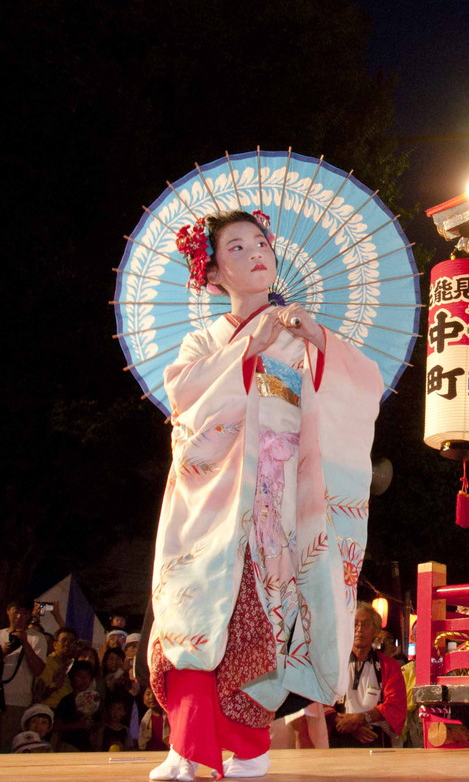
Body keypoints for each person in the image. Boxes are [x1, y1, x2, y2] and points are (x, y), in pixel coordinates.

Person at [147, 209, 383, 781]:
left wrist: (318, 339)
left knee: (260, 620)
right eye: (235, 248)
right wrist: (247, 349)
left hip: (275, 507)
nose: (255, 253)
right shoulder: (203, 339)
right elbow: (187, 403)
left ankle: (250, 747)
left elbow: (363, 390)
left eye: (260, 242)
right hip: (210, 504)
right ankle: (185, 747)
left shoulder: (302, 335)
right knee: (194, 610)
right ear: (212, 274)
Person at [327, 605, 406, 748]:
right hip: (339, 731)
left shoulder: (389, 666)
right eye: (354, 624)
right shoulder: (332, 664)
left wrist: (362, 718)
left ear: (376, 631)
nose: (359, 629)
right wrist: (347, 725)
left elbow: (395, 704)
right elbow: (319, 702)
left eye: (365, 624)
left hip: (373, 735)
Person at [2, 600, 47, 751]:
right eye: (16, 611)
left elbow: (38, 670)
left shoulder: (37, 638)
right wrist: (3, 653)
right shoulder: (0, 635)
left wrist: (25, 643)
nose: (20, 616)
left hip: (19, 702)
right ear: (8, 611)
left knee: (9, 746)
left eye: (25, 613)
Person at [33, 627, 78, 710]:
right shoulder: (47, 663)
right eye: (64, 640)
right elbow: (39, 695)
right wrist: (55, 685)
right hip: (48, 709)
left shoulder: (72, 664)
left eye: (71, 641)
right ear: (55, 645)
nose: (67, 643)